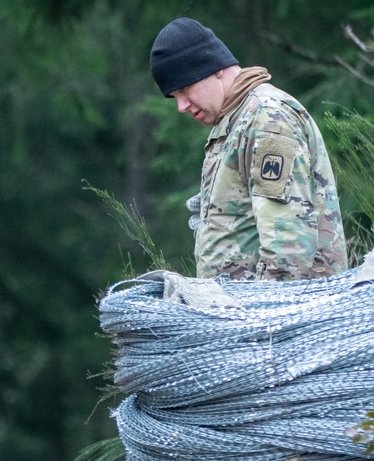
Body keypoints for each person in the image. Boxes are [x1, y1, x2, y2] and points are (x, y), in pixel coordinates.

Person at [149, 17, 347, 281]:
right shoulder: (236, 121)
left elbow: (287, 243)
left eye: (185, 89)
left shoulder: (267, 118)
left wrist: (268, 316)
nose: (181, 106)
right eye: (174, 97)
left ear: (215, 68)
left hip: (281, 314)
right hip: (246, 312)